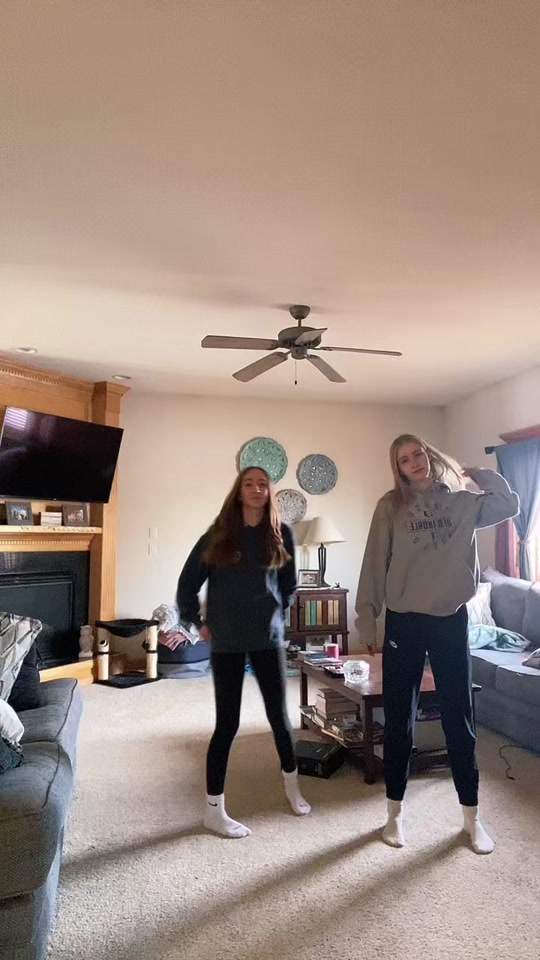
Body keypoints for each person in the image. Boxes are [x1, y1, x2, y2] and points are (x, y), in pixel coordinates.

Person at [355, 434, 519, 855]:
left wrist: (478, 473)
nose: (414, 462)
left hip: (450, 621)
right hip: (404, 622)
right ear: (398, 468)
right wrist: (367, 620)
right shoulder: (390, 507)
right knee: (399, 719)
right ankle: (394, 814)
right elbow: (374, 562)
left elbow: (508, 505)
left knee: (459, 719)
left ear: (429, 456)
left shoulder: (462, 502)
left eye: (418, 454)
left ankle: (472, 818)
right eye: (404, 459)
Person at [176, 466, 310, 838]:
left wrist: (277, 612)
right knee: (227, 724)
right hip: (228, 641)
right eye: (249, 484)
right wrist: (196, 621)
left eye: (262, 484)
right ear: (239, 491)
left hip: (268, 638)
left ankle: (293, 788)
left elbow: (289, 585)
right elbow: (187, 584)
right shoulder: (218, 534)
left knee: (279, 717)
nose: (255, 489)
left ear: (270, 492)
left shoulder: (281, 533)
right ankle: (213, 811)